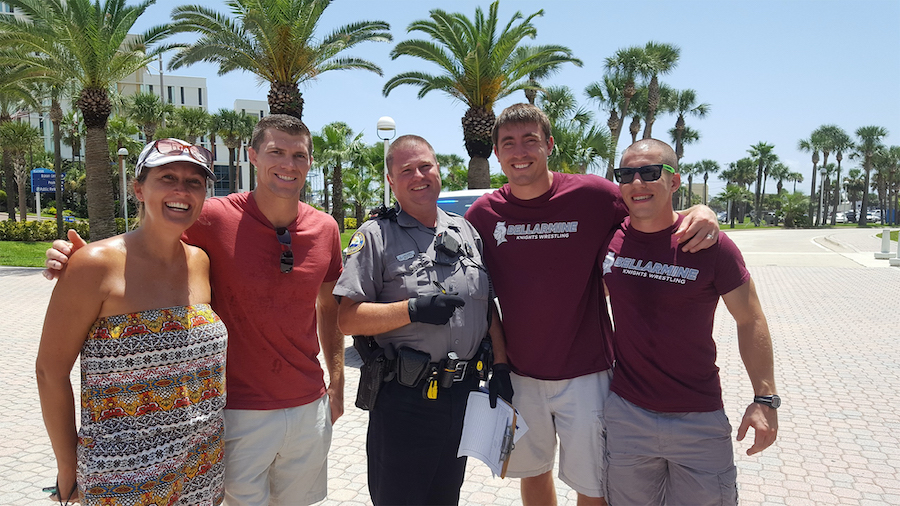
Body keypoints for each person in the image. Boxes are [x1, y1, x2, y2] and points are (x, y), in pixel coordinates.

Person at [44, 115, 345, 506]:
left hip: (228, 443)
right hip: (182, 439)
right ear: (253, 156)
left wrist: (336, 384)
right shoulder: (212, 218)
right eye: (276, 152)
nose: (181, 192)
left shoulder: (320, 230)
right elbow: (143, 242)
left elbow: (329, 305)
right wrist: (69, 256)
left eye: (299, 155)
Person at [464, 103, 720, 506]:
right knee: (532, 473)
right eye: (508, 143)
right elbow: (478, 294)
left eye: (530, 140)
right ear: (496, 153)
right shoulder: (483, 215)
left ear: (549, 144)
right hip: (520, 373)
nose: (520, 151)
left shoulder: (593, 195)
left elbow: (650, 208)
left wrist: (701, 210)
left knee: (593, 484)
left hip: (588, 374)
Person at [36, 139, 226, 504]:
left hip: (202, 464)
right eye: (167, 177)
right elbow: (49, 372)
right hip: (122, 475)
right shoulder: (95, 264)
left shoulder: (201, 261)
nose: (181, 191)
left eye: (194, 182)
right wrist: (68, 467)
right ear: (138, 188)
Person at [601, 139, 778, 505]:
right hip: (626, 415)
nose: (638, 183)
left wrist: (765, 399)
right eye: (626, 174)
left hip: (698, 418)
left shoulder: (710, 244)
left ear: (674, 181)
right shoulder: (609, 240)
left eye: (650, 172)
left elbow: (750, 319)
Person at [333, 135, 506, 505]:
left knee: (446, 497)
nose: (418, 176)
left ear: (439, 169)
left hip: (462, 394)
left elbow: (486, 307)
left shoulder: (466, 231)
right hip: (404, 399)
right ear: (392, 180)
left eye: (425, 165)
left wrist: (503, 368)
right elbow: (347, 319)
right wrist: (411, 310)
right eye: (406, 170)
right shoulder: (376, 235)